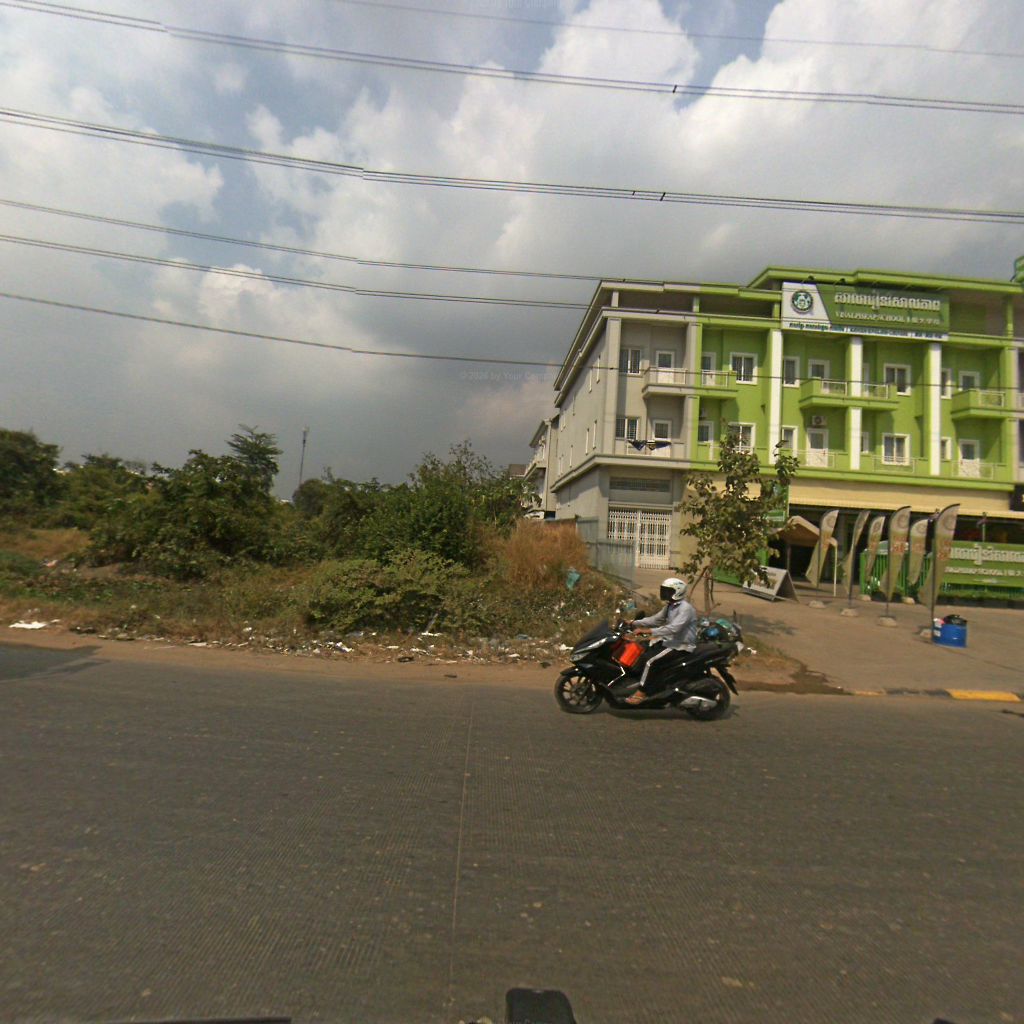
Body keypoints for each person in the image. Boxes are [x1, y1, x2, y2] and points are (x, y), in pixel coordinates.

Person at [624, 577, 698, 704]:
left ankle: (641, 693)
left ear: (678, 592)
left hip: (680, 646)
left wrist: (649, 631)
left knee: (650, 662)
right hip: (669, 642)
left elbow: (674, 628)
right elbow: (655, 620)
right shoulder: (670, 606)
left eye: (668, 591)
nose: (664, 593)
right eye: (664, 590)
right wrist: (633, 623)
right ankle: (637, 682)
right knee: (642, 652)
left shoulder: (685, 609)